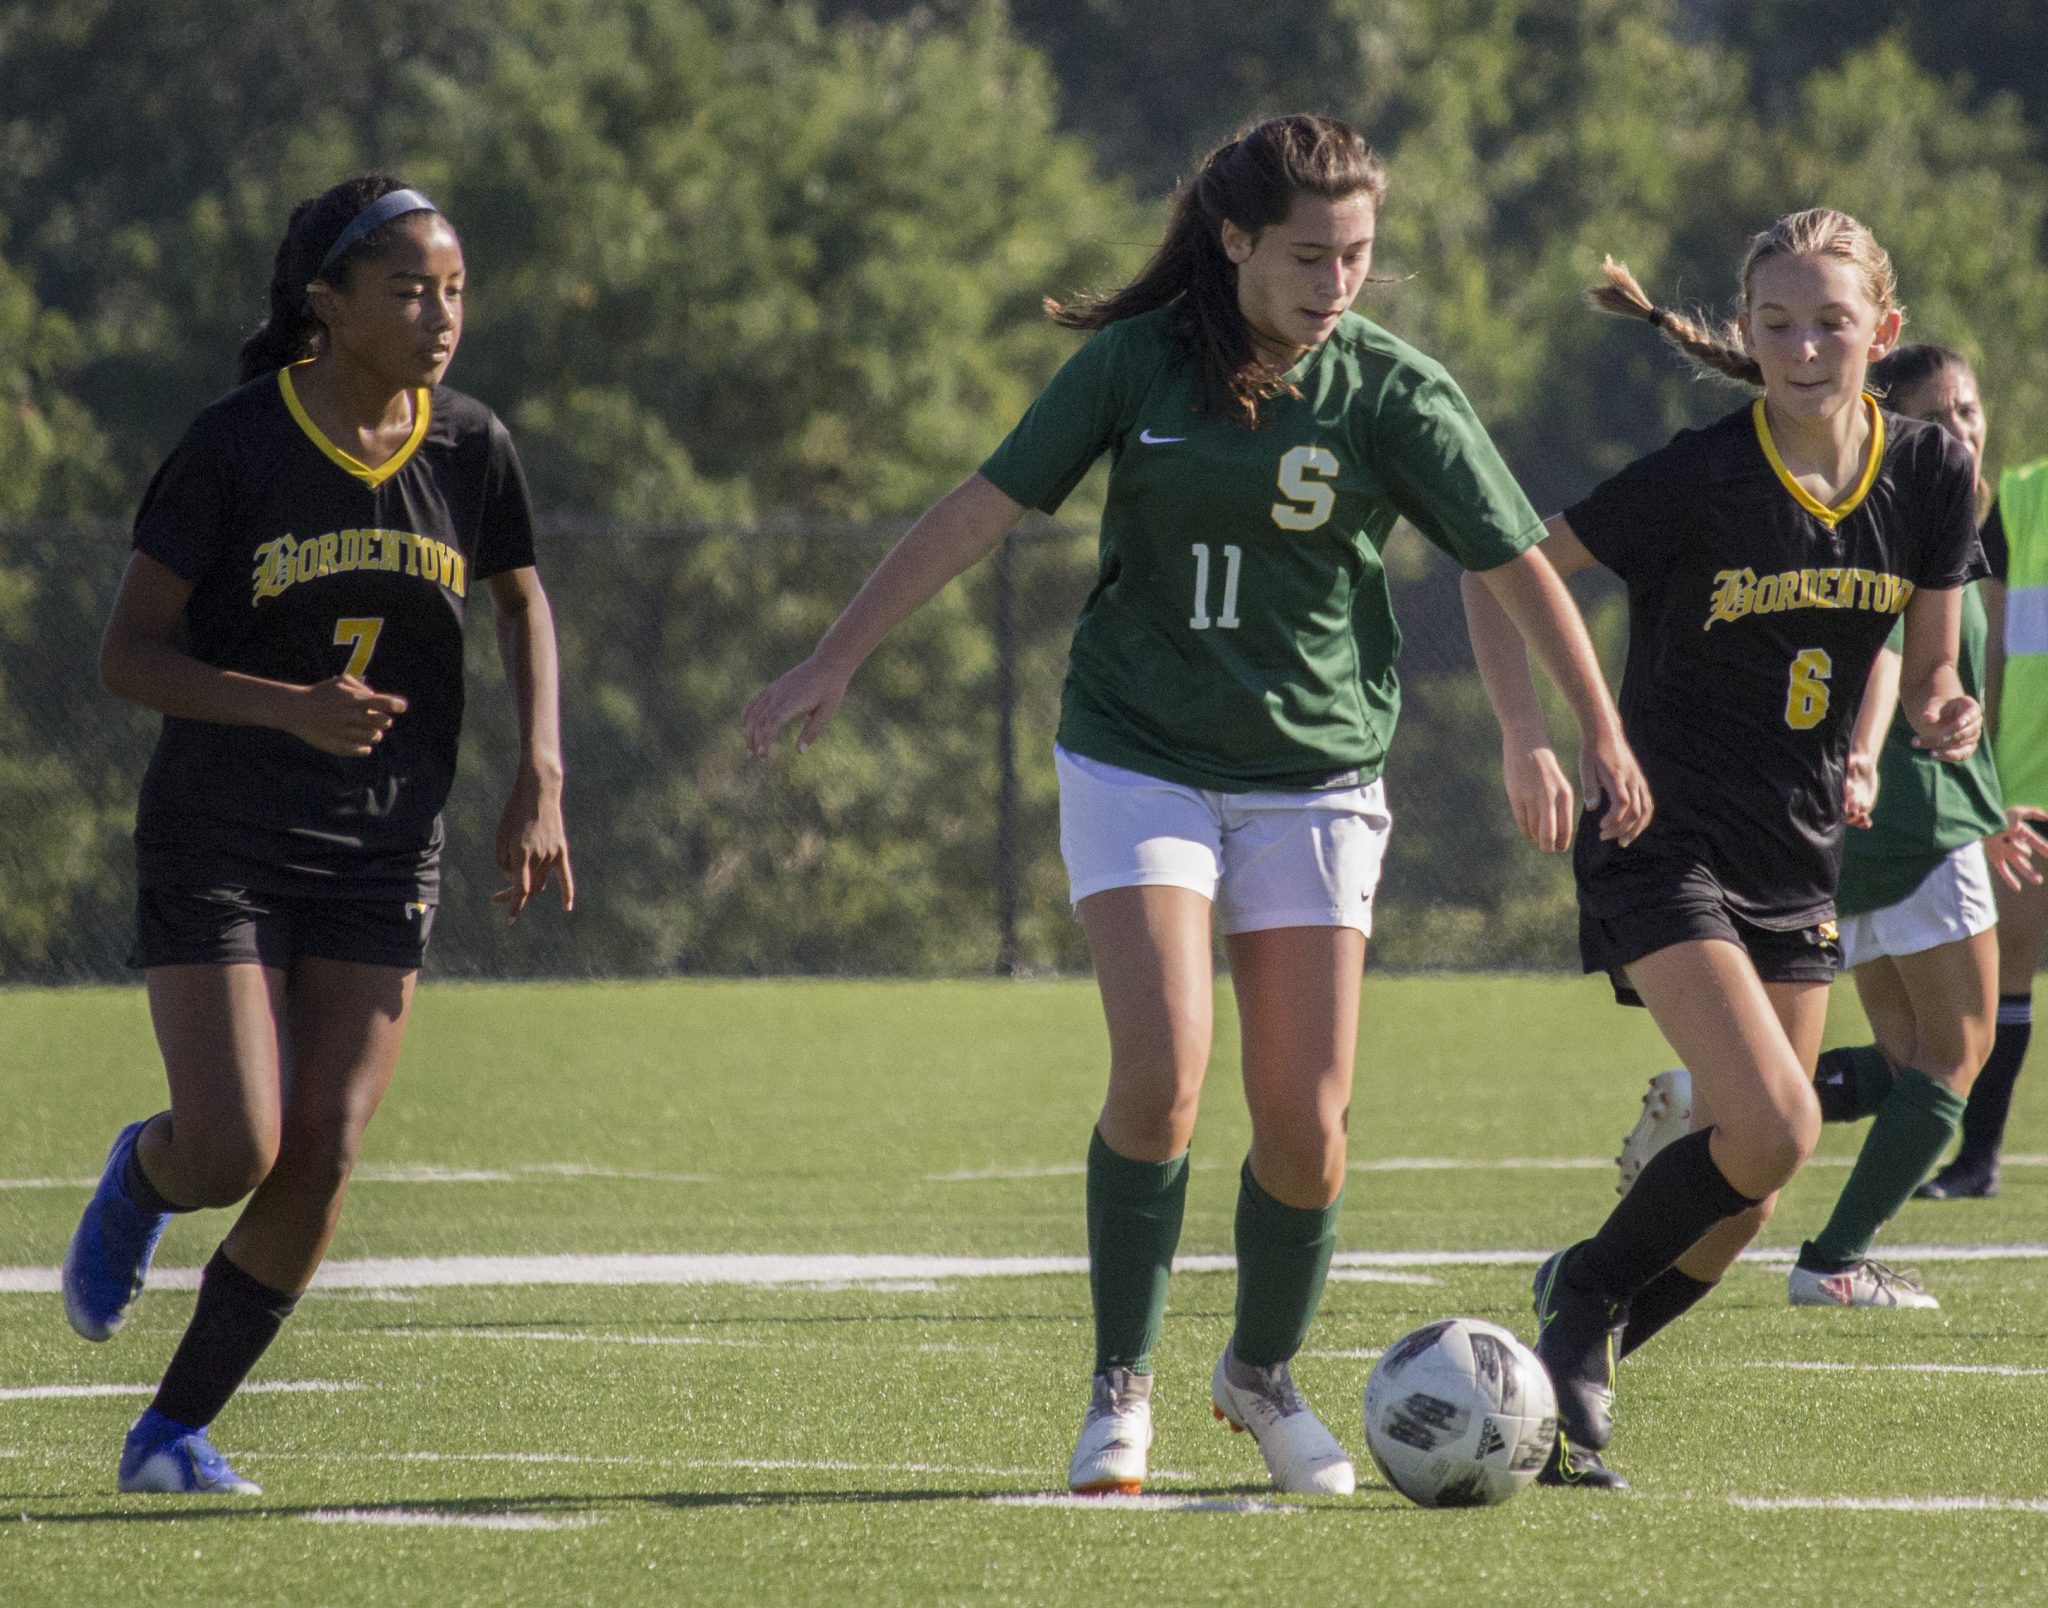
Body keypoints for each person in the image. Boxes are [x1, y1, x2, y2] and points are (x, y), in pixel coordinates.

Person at [744, 114, 1649, 1498]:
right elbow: (982, 509)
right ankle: (1123, 1385)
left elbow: (1518, 560)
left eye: (1356, 253)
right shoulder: (1136, 363)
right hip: (1138, 755)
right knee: (1163, 1075)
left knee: (1307, 1123)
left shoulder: (1393, 390)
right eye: (1306, 253)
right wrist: (835, 654)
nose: (1337, 279)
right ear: (1232, 239)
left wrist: (1594, 730)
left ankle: (1260, 1377)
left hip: (1317, 778)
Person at [66, 175, 573, 1496]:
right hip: (220, 836)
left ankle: (170, 1431)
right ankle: (143, 1175)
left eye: (454, 287)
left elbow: (522, 603)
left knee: (330, 1148)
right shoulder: (236, 446)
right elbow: (128, 656)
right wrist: (288, 709)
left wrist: (541, 771)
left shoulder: (471, 446)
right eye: (408, 287)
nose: (440, 312)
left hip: (383, 843)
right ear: (327, 303)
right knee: (237, 1147)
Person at [1465, 213, 1986, 1489]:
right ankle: (1580, 1296)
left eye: (1828, 322)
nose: (1803, 346)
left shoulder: (1929, 476)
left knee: (1749, 1188)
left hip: (1795, 851)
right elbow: (1499, 568)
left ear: (1884, 331)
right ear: (1744, 336)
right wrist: (1532, 735)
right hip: (1660, 834)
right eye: (1775, 324)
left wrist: (1939, 712)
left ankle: (1546, 1391)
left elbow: (1926, 676)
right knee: (1772, 1121)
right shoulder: (1698, 476)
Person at [1915, 432, 2048, 1199]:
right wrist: (1983, 771)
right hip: (2027, 780)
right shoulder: (2023, 496)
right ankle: (1978, 1161)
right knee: (2009, 977)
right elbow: (1989, 646)